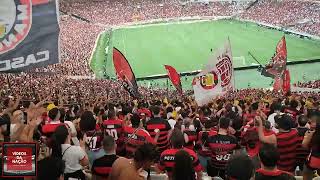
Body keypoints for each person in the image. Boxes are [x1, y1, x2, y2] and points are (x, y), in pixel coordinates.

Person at [302, 110, 320, 180]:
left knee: (306, 171)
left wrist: (307, 137)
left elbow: (304, 145)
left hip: (315, 159)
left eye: (310, 122)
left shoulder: (311, 133)